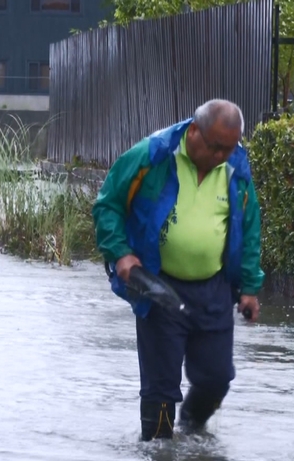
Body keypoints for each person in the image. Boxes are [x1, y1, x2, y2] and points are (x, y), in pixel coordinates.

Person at [91, 99, 264, 441]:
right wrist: (121, 254)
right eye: (215, 147)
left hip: (213, 289)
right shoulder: (153, 154)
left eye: (228, 149)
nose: (220, 157)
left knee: (217, 379)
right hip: (159, 286)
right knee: (160, 391)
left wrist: (249, 287)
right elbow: (107, 205)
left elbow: (249, 228)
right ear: (194, 130)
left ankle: (193, 434)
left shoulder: (236, 167)